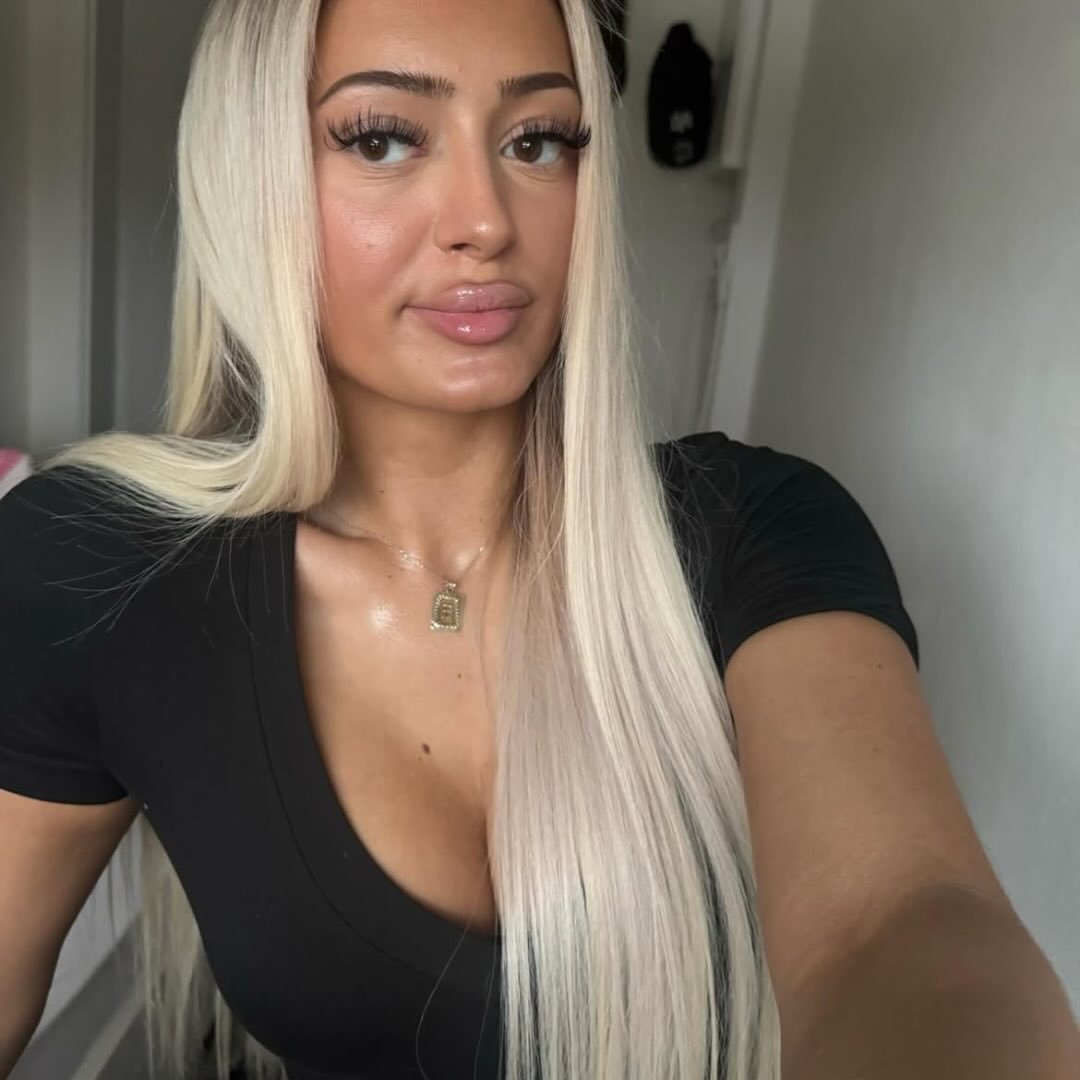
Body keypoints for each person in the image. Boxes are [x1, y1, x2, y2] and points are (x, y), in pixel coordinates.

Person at [3, 1, 1076, 1079]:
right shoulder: (93, 569)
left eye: (538, 141)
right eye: (382, 139)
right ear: (248, 177)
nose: (485, 219)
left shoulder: (760, 529)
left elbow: (900, 927)